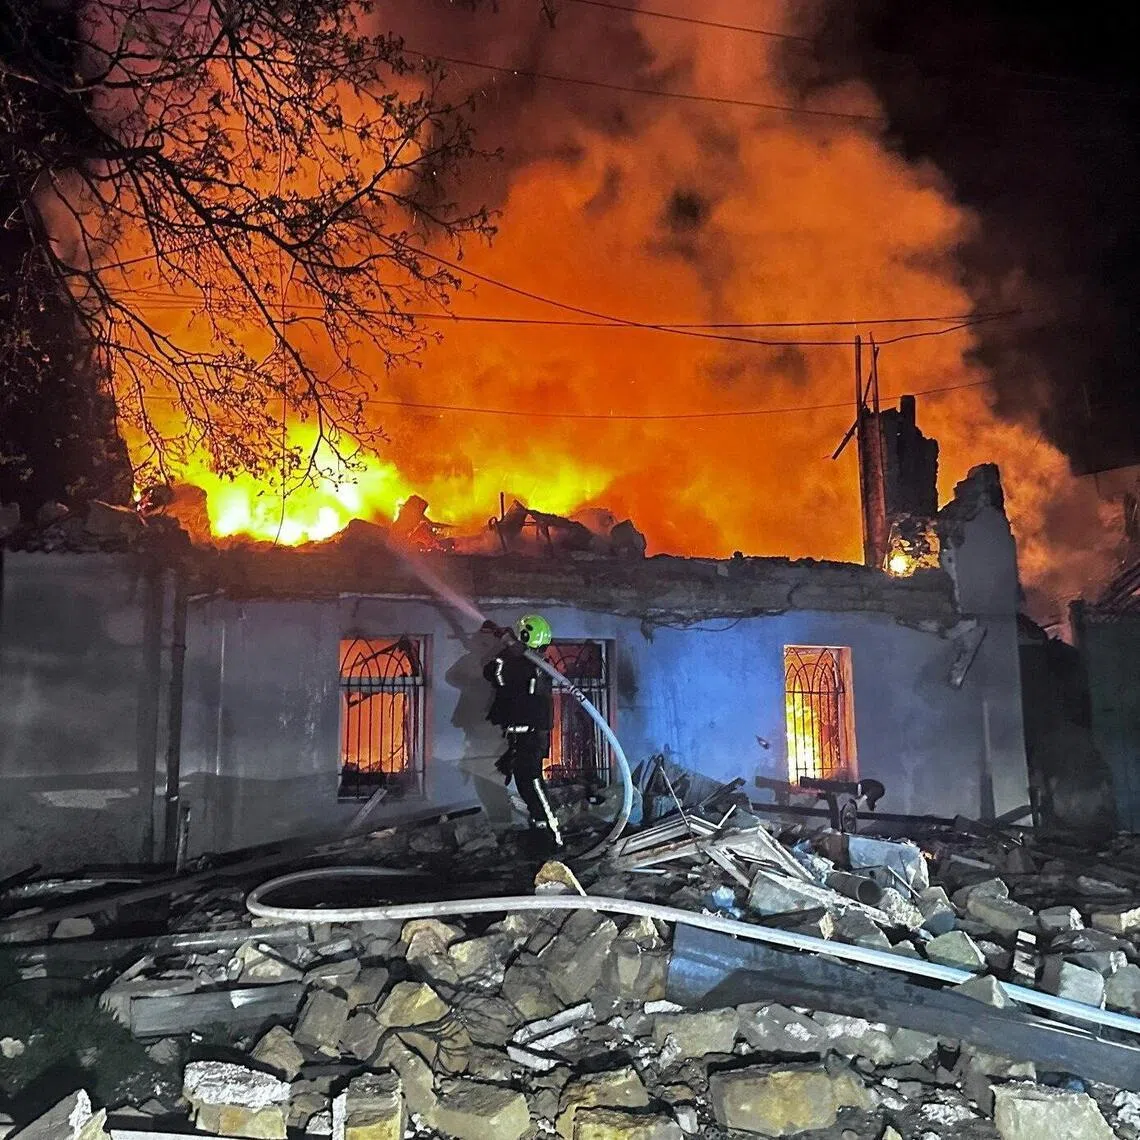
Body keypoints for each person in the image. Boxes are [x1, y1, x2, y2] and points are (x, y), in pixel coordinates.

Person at [483, 614, 563, 851]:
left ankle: (553, 835)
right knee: (526, 784)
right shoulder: (532, 663)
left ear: (525, 635)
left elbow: (493, 673)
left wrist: (507, 651)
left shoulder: (528, 665)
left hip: (530, 736)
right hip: (523, 735)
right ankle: (539, 832)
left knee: (533, 783)